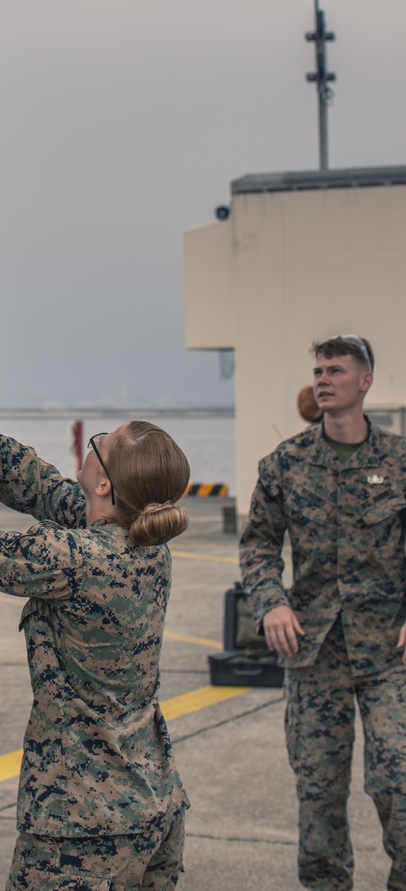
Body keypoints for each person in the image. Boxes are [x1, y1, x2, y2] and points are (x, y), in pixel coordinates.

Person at [0, 380, 191, 891]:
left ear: (104, 485)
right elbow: (42, 486)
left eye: (100, 442)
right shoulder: (147, 545)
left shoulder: (76, 558)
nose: (93, 443)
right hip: (151, 805)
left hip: (82, 828)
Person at [239, 335, 406, 891]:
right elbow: (258, 546)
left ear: (365, 382)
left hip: (389, 653)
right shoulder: (284, 463)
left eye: (335, 369)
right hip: (313, 652)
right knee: (319, 794)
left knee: (398, 784)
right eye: (317, 370)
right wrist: (272, 604)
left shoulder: (401, 462)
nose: (322, 379)